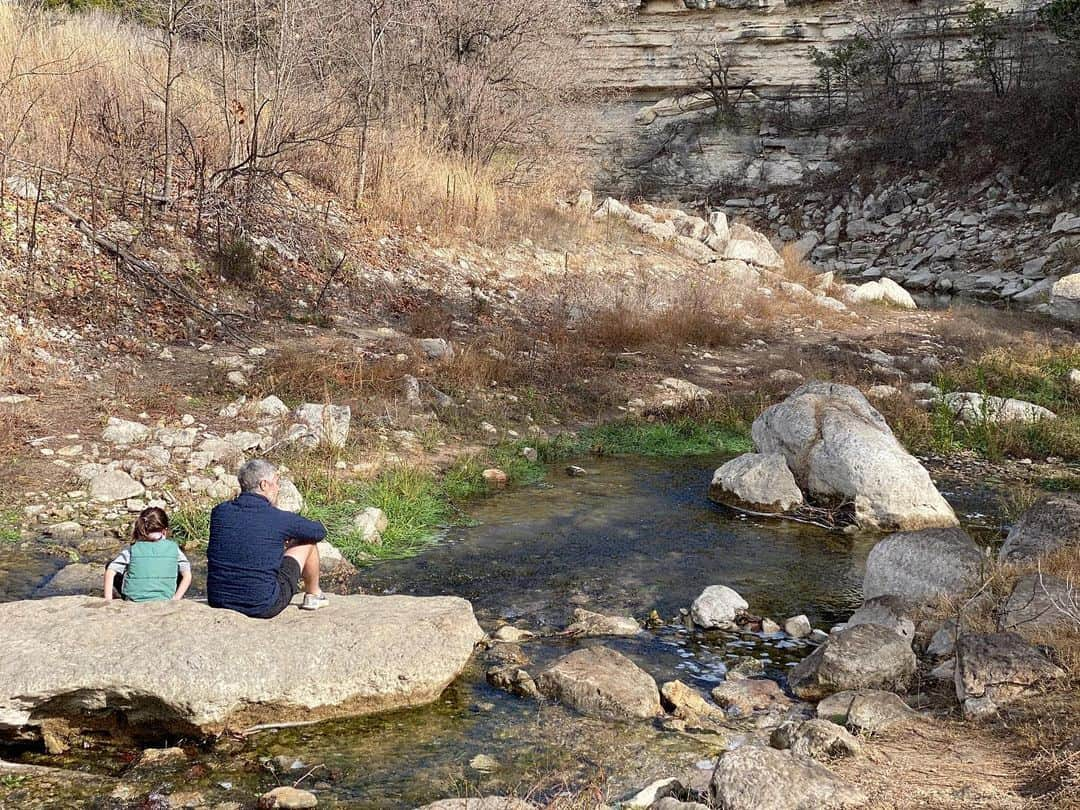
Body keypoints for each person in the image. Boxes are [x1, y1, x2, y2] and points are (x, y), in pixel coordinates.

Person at [206, 459, 328, 618]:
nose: (278, 488)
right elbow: (318, 532)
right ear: (264, 485)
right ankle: (314, 595)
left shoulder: (219, 512)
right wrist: (289, 535)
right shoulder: (278, 518)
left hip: (218, 600)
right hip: (262, 605)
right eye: (276, 483)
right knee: (307, 541)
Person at [104, 507, 192, 602]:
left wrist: (108, 601)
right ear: (164, 530)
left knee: (110, 564)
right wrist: (175, 599)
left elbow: (110, 571)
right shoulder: (174, 548)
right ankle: (173, 594)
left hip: (133, 601)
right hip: (165, 600)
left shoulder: (133, 548)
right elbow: (187, 575)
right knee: (179, 569)